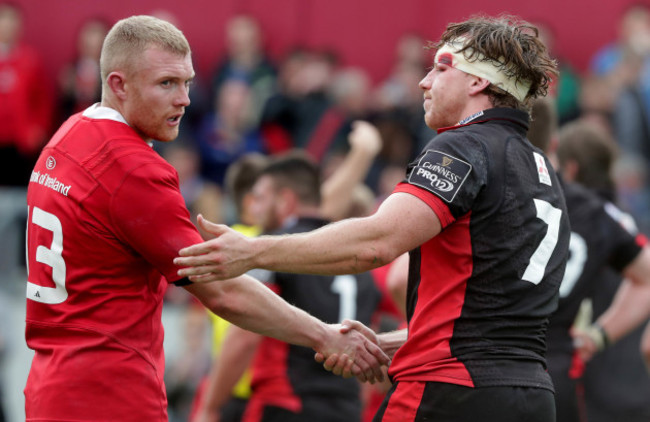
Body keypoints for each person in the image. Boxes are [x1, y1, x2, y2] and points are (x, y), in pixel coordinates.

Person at [176, 15, 569, 422]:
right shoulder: (542, 170)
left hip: (447, 390)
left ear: (477, 83)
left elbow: (377, 243)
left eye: (441, 67)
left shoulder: (464, 144)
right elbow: (489, 324)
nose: (424, 81)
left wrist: (252, 250)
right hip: (532, 395)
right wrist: (389, 343)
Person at [23, 15, 388, 422]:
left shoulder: (69, 134)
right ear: (118, 84)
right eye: (166, 83)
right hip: (110, 393)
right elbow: (222, 292)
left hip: (50, 386)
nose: (185, 99)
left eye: (188, 82)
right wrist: (324, 336)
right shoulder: (131, 167)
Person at [194, 152, 382, 422]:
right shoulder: (356, 259)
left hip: (286, 404)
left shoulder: (268, 249)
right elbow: (369, 343)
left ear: (285, 200)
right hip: (346, 407)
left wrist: (209, 407)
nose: (256, 208)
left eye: (262, 197)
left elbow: (244, 336)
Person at [526, 98, 650, 422]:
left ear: (570, 168)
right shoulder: (617, 223)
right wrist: (598, 337)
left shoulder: (519, 201)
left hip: (568, 381)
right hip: (602, 383)